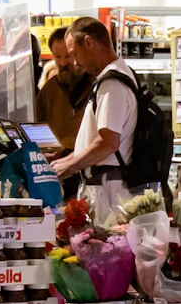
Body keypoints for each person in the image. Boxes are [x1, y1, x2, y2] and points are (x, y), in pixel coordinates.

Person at [50, 16, 141, 220]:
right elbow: (98, 142)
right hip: (104, 185)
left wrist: (70, 167)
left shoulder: (112, 85)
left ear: (89, 42)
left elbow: (108, 143)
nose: (75, 62)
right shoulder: (113, 77)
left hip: (108, 190)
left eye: (74, 54)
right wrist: (65, 161)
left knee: (106, 248)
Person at [36, 29, 88, 154]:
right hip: (57, 158)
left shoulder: (97, 84)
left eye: (68, 56)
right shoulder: (50, 89)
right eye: (58, 57)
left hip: (89, 160)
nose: (63, 62)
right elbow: (37, 123)